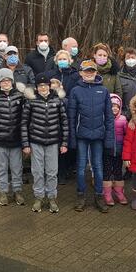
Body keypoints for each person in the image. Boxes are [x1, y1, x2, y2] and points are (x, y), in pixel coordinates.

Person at [68, 60, 115, 213]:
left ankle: (99, 196)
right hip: (81, 135)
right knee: (81, 168)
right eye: (86, 71)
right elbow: (71, 117)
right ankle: (81, 196)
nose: (89, 73)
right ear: (80, 73)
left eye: (92, 71)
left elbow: (109, 117)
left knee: (98, 167)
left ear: (96, 72)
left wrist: (109, 139)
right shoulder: (75, 91)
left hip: (98, 136)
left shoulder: (104, 91)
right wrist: (72, 139)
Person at [22, 73, 68, 213]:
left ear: (49, 85)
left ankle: (52, 198)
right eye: (40, 85)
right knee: (37, 172)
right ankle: (39, 197)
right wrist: (26, 144)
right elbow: (24, 123)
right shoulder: (31, 101)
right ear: (36, 87)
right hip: (36, 141)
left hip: (53, 142)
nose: (43, 88)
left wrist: (64, 143)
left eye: (45, 85)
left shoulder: (57, 100)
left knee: (52, 172)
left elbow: (64, 122)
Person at [0, 69, 26, 206]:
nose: (6, 83)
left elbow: (25, 117)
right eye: (3, 80)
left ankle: (17, 191)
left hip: (16, 138)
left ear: (12, 81)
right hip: (0, 139)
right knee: (2, 167)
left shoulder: (20, 96)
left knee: (17, 167)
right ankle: (3, 192)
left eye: (8, 80)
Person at [46, 49, 80, 185]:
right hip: (53, 112)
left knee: (68, 141)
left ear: (70, 61)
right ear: (56, 61)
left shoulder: (75, 75)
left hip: (69, 109)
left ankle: (68, 168)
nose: (62, 61)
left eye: (64, 59)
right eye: (60, 59)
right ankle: (58, 172)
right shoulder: (50, 74)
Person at [102, 94, 128, 206]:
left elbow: (127, 134)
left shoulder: (123, 119)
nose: (114, 108)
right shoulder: (104, 119)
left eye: (117, 106)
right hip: (107, 150)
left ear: (120, 107)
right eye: (112, 106)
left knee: (118, 171)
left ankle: (119, 192)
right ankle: (107, 193)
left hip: (119, 151)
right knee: (107, 171)